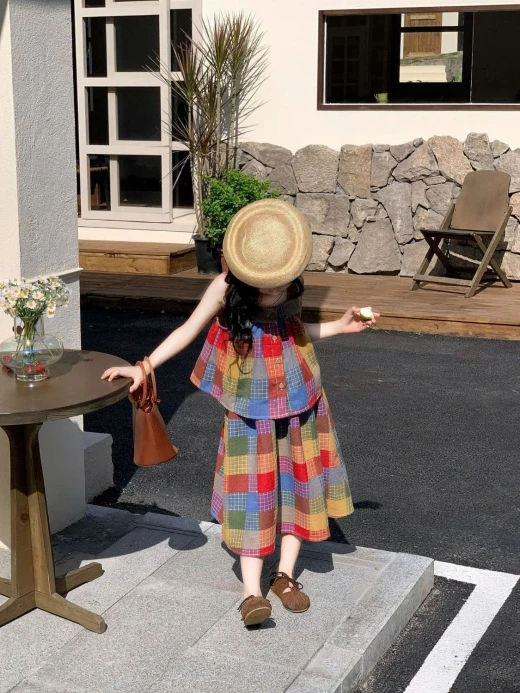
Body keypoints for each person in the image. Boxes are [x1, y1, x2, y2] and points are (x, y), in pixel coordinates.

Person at [102, 199, 379, 627]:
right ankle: (252, 594)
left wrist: (340, 326)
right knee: (253, 496)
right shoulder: (225, 287)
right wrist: (143, 367)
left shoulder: (292, 284)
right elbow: (188, 330)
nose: (276, 288)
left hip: (302, 404)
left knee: (299, 489)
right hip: (250, 413)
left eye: (281, 279)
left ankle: (285, 576)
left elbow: (296, 333)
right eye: (267, 283)